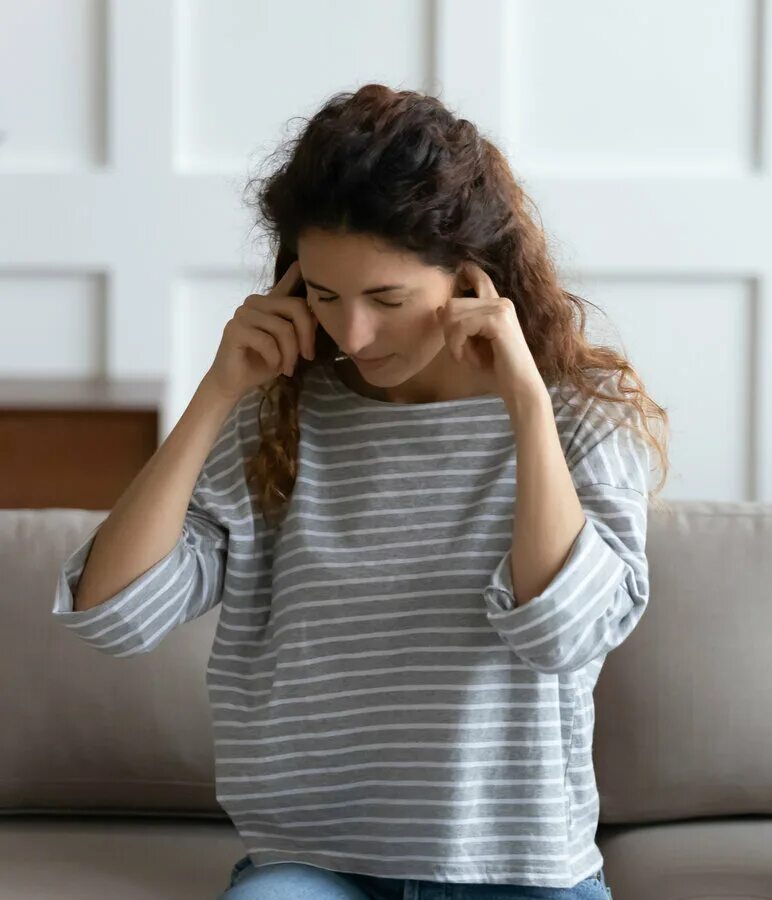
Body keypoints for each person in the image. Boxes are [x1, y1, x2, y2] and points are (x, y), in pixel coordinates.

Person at [52, 84, 667, 898]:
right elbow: (113, 617)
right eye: (323, 295)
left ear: (470, 281)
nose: (353, 335)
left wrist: (524, 403)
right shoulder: (277, 424)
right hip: (315, 864)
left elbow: (565, 632)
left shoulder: (577, 420)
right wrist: (215, 395)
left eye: (387, 299)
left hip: (520, 870)